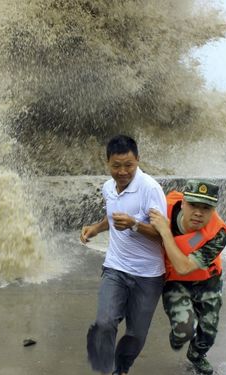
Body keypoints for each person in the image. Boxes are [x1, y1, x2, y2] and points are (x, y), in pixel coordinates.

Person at [80, 134, 167, 375]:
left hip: (148, 275)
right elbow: (113, 214)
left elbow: (164, 235)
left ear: (138, 160)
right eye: (116, 166)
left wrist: (135, 224)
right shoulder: (108, 187)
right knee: (105, 322)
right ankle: (104, 369)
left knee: (135, 335)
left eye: (128, 165)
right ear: (107, 162)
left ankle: (122, 367)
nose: (122, 171)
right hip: (115, 268)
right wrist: (96, 228)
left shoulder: (150, 189)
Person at [149, 180, 226, 375]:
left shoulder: (218, 233)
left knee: (208, 331)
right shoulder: (164, 206)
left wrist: (165, 233)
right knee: (185, 330)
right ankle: (180, 335)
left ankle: (196, 355)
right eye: (193, 205)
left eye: (206, 208)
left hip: (208, 281)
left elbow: (184, 267)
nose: (198, 213)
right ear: (183, 203)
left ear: (213, 210)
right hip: (175, 282)